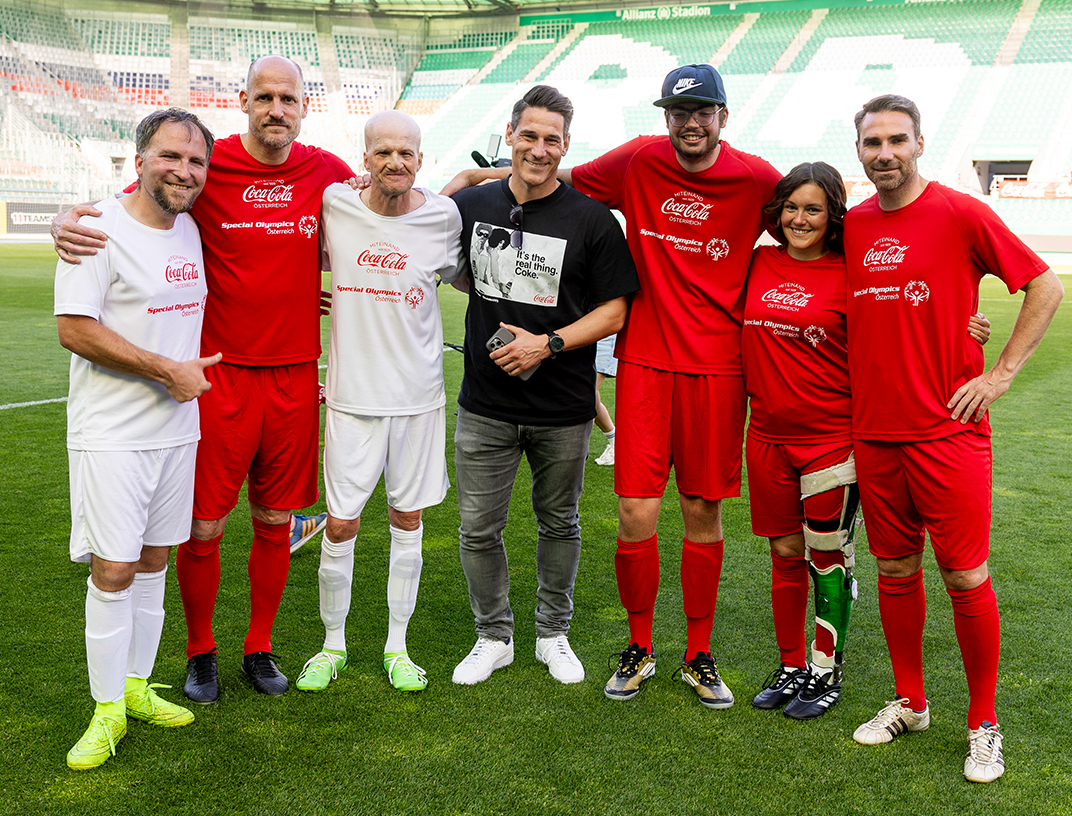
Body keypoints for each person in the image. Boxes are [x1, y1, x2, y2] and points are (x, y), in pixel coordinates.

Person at [52, 56, 356, 702]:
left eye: (289, 99)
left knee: (275, 519)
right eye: (265, 97)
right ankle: (200, 653)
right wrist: (63, 221)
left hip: (297, 376)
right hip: (218, 379)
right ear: (244, 100)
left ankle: (258, 646)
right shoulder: (209, 172)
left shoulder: (326, 172)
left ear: (305, 107)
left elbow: (384, 211)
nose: (277, 109)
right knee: (202, 527)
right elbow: (142, 199)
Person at [845, 94, 1063, 783]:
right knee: (896, 571)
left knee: (965, 575)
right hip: (876, 434)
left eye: (896, 140)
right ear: (859, 149)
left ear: (917, 144)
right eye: (871, 142)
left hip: (949, 431)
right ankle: (911, 701)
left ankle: (983, 723)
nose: (884, 152)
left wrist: (998, 375)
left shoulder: (959, 211)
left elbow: (1044, 286)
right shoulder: (849, 226)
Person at [743, 162, 991, 720]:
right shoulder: (757, 263)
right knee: (783, 553)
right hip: (765, 435)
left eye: (813, 208)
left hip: (831, 438)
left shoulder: (851, 269)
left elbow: (905, 312)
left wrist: (968, 328)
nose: (800, 218)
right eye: (790, 207)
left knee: (826, 558)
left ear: (834, 215)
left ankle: (825, 671)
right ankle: (790, 665)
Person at [568, 65, 781, 707]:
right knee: (634, 510)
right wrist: (473, 181)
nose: (691, 122)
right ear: (665, 116)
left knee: (702, 511)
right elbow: (556, 180)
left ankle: (697, 653)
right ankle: (639, 647)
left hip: (719, 370)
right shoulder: (637, 161)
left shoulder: (756, 178)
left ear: (723, 114)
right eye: (679, 112)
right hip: (645, 364)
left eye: (704, 111)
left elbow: (822, 228)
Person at [447, 85, 640, 686]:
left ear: (565, 145)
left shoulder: (592, 219)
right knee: (479, 527)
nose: (538, 148)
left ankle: (553, 633)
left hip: (562, 407)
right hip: (485, 403)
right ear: (509, 135)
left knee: (560, 523)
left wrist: (546, 343)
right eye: (527, 136)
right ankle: (493, 636)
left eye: (551, 139)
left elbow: (614, 310)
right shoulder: (471, 204)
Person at [55, 109, 217, 769]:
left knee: (153, 563)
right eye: (170, 156)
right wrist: (165, 371)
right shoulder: (95, 227)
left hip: (177, 433)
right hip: (112, 434)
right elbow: (75, 328)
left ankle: (134, 687)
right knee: (114, 569)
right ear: (140, 159)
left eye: (196, 162)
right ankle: (104, 711)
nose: (183, 171)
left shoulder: (192, 230)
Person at [295, 110, 462, 694]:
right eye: (383, 152)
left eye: (407, 153)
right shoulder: (335, 204)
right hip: (350, 399)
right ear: (364, 158)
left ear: (421, 159)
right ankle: (332, 644)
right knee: (340, 524)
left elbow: (474, 274)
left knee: (407, 519)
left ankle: (397, 646)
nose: (396, 162)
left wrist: (475, 179)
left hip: (418, 401)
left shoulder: (444, 216)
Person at [592, 334, 618, 466]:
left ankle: (574, 452)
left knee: (587, 395)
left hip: (604, 336)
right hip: (582, 332)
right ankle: (616, 443)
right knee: (590, 397)